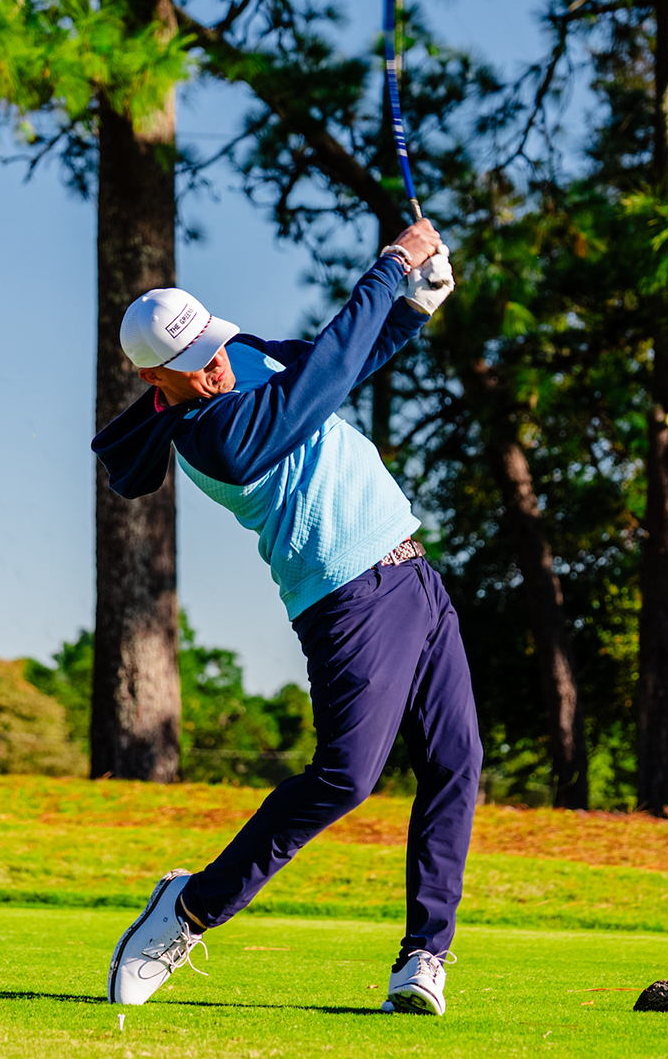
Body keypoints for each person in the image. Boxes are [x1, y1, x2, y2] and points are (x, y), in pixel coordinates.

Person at [91, 219, 478, 1016]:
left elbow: (342, 363)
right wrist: (392, 267)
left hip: (414, 575)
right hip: (349, 601)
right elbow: (323, 374)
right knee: (346, 777)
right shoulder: (211, 439)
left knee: (456, 762)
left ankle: (423, 957)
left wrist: (414, 309)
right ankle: (189, 909)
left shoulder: (234, 357)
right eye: (195, 365)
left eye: (213, 348)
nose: (216, 366)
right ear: (156, 381)